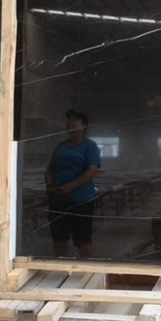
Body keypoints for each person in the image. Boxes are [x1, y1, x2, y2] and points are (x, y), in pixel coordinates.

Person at [46, 109, 101, 258]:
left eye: (74, 121)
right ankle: (61, 268)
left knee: (83, 242)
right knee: (59, 240)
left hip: (80, 201)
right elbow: (50, 169)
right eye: (68, 121)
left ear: (84, 125)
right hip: (58, 200)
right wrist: (50, 186)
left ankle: (86, 268)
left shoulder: (90, 146)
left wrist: (69, 187)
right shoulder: (61, 146)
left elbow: (91, 171)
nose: (70, 124)